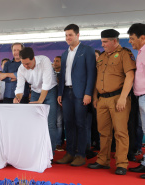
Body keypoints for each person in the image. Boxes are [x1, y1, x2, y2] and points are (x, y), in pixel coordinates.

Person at [88, 29, 136, 175]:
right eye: (102, 42)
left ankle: (121, 163)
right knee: (103, 133)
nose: (102, 45)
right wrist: (95, 97)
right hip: (102, 99)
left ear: (114, 41)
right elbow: (97, 78)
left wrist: (123, 97)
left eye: (105, 42)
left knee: (121, 133)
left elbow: (130, 76)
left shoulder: (124, 54)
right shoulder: (101, 57)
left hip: (118, 98)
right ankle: (103, 160)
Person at [56, 24, 96, 166]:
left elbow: (92, 73)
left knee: (81, 124)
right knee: (68, 124)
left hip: (81, 94)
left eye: (70, 35)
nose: (68, 38)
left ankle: (81, 154)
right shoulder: (65, 53)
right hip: (66, 93)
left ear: (78, 35)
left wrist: (88, 93)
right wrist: (60, 92)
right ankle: (70, 153)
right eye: (66, 35)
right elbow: (62, 74)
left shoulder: (87, 50)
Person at [14, 47, 58, 154]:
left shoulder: (44, 61)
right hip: (35, 92)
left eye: (27, 63)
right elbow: (19, 87)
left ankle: (49, 153)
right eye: (23, 63)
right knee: (33, 123)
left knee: (50, 123)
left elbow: (47, 83)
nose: (25, 66)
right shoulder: (21, 68)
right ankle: (35, 151)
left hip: (50, 91)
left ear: (33, 58)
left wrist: (40, 101)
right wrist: (17, 98)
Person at [127, 23, 145, 179]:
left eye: (132, 38)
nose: (130, 42)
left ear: (142, 38)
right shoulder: (141, 52)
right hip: (141, 96)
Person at [53, 56, 64, 151]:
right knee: (56, 122)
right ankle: (56, 142)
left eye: (57, 61)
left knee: (60, 123)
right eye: (54, 61)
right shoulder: (50, 73)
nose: (55, 63)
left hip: (64, 100)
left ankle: (59, 142)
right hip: (52, 100)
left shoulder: (64, 73)